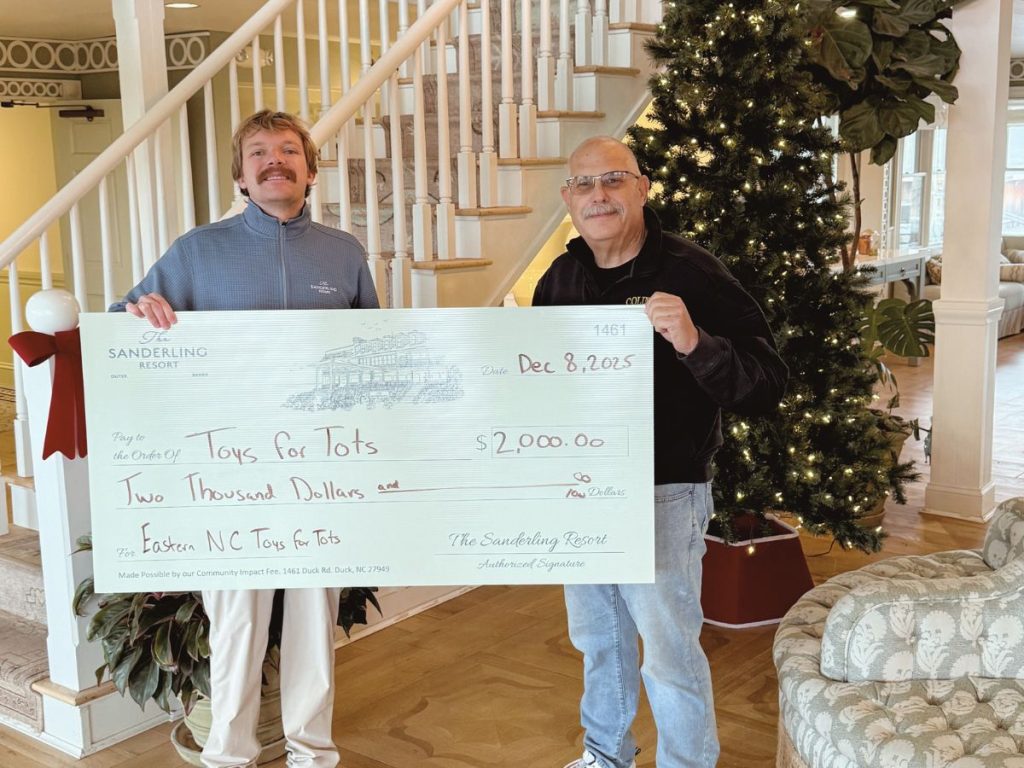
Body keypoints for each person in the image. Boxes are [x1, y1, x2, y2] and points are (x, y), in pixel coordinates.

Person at [111, 109, 379, 768]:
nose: (273, 161)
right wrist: (136, 312)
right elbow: (124, 322)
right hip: (228, 470)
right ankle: (228, 757)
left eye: (288, 150)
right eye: (258, 152)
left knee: (314, 618)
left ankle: (312, 753)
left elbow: (372, 349)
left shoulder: (344, 253)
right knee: (236, 620)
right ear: (241, 175)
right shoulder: (198, 250)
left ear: (309, 172)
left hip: (320, 468)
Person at [533, 136, 788, 768]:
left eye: (613, 179)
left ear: (642, 188)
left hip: (664, 492)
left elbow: (768, 382)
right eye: (584, 184)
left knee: (669, 652)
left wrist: (696, 342)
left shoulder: (693, 273)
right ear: (567, 198)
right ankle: (606, 754)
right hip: (581, 492)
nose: (598, 195)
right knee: (598, 641)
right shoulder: (559, 280)